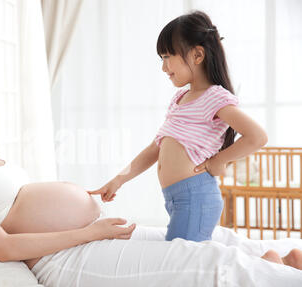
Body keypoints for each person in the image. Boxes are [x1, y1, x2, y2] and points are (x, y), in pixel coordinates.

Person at [0, 58, 302, 287]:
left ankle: (279, 262)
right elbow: (0, 245)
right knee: (210, 261)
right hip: (65, 259)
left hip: (92, 234)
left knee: (216, 239)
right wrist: (90, 232)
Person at [89, 11, 268, 242]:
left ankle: (272, 262)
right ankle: (272, 260)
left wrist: (218, 160)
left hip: (196, 195)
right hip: (178, 198)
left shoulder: (214, 97)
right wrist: (118, 179)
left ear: (197, 55)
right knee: (183, 260)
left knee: (181, 260)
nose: (164, 67)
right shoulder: (180, 99)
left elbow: (257, 137)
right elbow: (155, 149)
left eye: (167, 56)